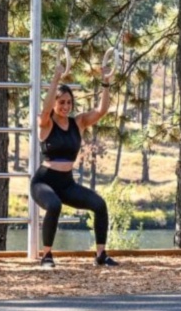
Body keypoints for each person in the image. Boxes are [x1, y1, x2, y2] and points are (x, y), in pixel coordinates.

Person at [30, 54, 119, 268]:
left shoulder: (77, 123)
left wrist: (105, 81)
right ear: (54, 103)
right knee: (54, 205)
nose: (66, 106)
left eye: (69, 102)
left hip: (66, 184)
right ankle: (47, 256)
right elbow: (45, 109)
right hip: (43, 182)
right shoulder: (45, 123)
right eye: (61, 102)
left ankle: (100, 255)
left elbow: (101, 110)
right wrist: (56, 77)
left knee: (99, 205)